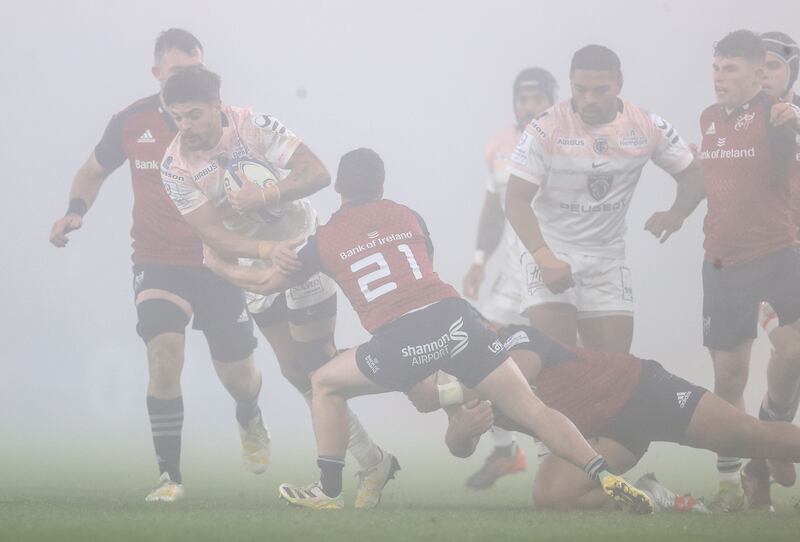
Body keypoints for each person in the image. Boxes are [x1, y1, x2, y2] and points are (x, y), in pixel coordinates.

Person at [205, 147, 654, 513]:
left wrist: (219, 265)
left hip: (402, 336)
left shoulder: (324, 239)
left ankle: (328, 489)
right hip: (456, 317)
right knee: (533, 408)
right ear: (382, 186)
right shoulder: (409, 216)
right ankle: (602, 473)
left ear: (338, 189)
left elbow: (264, 284)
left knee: (323, 382)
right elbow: (424, 266)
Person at [159, 67, 396, 508]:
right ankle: (374, 459)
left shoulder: (254, 125)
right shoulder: (175, 166)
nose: (185, 126)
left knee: (318, 363)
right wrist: (268, 249)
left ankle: (408, 370)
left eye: (193, 115)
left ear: (216, 106)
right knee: (295, 370)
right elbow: (213, 234)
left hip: (304, 245)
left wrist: (266, 196)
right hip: (261, 263)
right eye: (176, 117)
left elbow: (318, 173)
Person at [48, 29, 267, 502]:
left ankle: (249, 412)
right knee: (164, 355)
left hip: (218, 261)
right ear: (156, 73)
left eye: (196, 70)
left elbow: (261, 181)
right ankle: (170, 478)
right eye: (178, 72)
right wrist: (74, 211)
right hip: (157, 259)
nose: (188, 79)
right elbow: (92, 170)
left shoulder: (230, 124)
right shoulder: (131, 121)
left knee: (241, 379)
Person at [406, 324, 800, 512]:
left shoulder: (510, 337)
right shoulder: (456, 381)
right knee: (551, 496)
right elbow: (459, 445)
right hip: (601, 436)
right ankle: (656, 498)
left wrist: (442, 396)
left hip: (640, 391)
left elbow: (518, 375)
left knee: (748, 435)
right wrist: (460, 432)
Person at [505, 44, 704, 354]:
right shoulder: (544, 129)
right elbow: (516, 200)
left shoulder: (646, 125)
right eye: (580, 89)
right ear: (570, 83)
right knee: (558, 364)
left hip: (607, 258)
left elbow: (694, 176)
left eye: (600, 90)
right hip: (551, 251)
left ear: (618, 83)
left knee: (614, 370)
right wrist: (544, 258)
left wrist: (677, 213)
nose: (588, 99)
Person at [699, 29, 800, 511]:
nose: (719, 78)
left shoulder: (780, 117)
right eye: (716, 69)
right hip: (723, 264)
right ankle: (734, 482)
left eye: (730, 69)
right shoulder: (708, 119)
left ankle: (773, 434)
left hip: (779, 254)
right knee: (728, 378)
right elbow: (712, 181)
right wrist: (676, 212)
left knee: (793, 352)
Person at [461, 67, 558, 490]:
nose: (530, 106)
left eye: (538, 98)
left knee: (553, 365)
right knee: (480, 353)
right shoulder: (499, 146)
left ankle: (556, 459)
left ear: (553, 101)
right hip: (511, 275)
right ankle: (505, 452)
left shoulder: (566, 140)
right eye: (523, 99)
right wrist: (479, 261)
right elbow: (494, 211)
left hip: (554, 271)